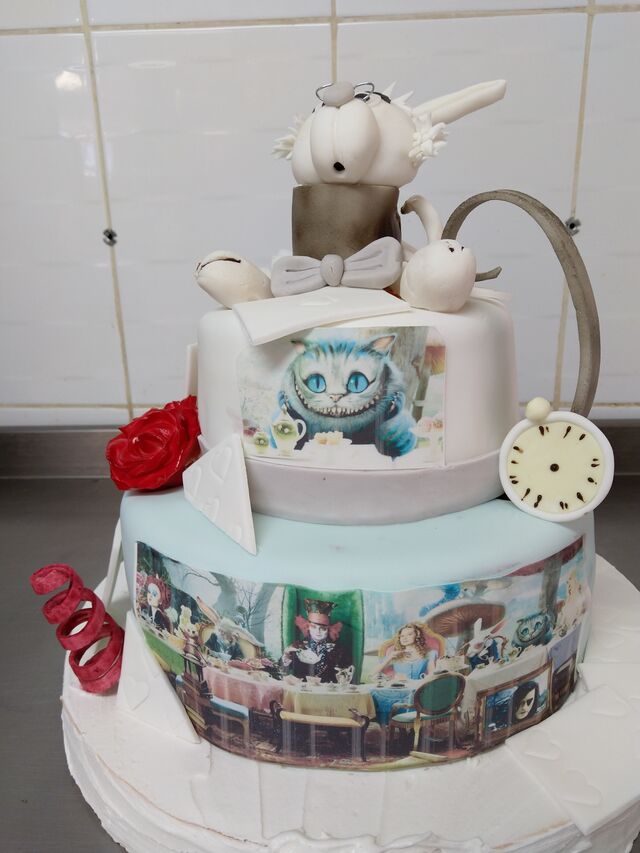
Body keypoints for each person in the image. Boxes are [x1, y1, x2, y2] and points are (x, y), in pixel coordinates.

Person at [281, 598, 351, 683]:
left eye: (323, 628)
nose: (318, 632)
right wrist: (286, 654)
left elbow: (345, 677)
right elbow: (282, 671)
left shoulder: (339, 650)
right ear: (308, 627)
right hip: (302, 689)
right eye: (313, 627)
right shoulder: (297, 646)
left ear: (329, 629)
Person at [374, 622, 443, 681]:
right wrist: (389, 657)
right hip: (398, 688)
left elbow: (432, 675)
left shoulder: (429, 653)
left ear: (417, 636)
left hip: (418, 688)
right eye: (402, 636)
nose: (405, 638)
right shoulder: (395, 654)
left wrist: (425, 679)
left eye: (409, 634)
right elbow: (374, 673)